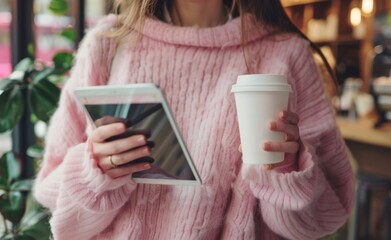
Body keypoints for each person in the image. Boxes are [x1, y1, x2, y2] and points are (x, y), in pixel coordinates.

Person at [34, 0, 355, 239]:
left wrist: (285, 170)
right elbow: (61, 208)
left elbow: (319, 219)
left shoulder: (285, 54)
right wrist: (97, 172)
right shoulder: (109, 43)